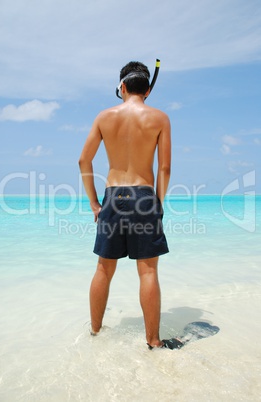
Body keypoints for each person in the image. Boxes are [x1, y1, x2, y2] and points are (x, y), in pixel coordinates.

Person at [79, 61, 176, 349]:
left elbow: (84, 160)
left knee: (103, 270)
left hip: (112, 197)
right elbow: (165, 167)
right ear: (147, 89)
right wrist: (156, 202)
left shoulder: (104, 117)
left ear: (121, 86)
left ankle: (95, 333)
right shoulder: (160, 118)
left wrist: (95, 203)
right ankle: (154, 342)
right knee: (147, 272)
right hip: (144, 197)